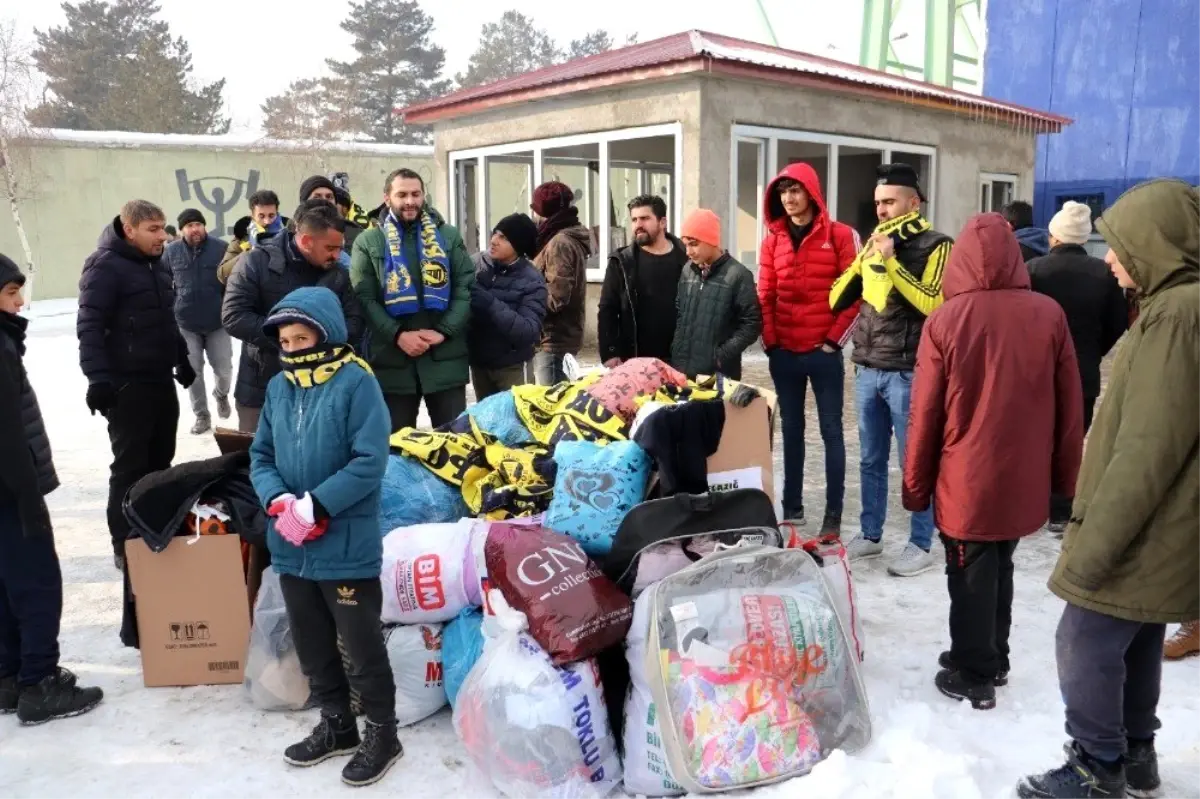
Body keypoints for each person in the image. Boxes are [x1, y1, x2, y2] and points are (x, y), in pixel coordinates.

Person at [1017, 179, 1200, 799]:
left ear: (1158, 243)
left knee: (1085, 633)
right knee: (1140, 629)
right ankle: (1137, 753)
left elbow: (1149, 445)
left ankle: (1097, 765)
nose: (1110, 258)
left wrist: (1097, 542)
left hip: (1147, 519)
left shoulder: (1177, 315)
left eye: (1120, 245)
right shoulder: (1177, 305)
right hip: (1170, 519)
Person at [902, 213, 1084, 712]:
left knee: (969, 571)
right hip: (1022, 474)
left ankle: (974, 672)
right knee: (999, 562)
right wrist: (1064, 480)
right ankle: (992, 655)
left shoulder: (945, 320)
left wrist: (916, 486)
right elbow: (1072, 406)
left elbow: (926, 413)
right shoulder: (1048, 315)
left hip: (967, 477)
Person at [248, 286, 399, 787]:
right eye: (285, 341)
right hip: (292, 544)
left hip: (345, 544)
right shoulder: (278, 388)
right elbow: (261, 455)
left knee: (360, 645)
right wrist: (281, 502)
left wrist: (318, 503)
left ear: (326, 334)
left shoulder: (357, 383)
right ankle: (336, 725)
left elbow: (370, 460)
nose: (292, 348)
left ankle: (382, 731)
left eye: (301, 337)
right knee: (313, 645)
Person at [829, 163, 951, 577]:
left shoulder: (938, 244)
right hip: (866, 365)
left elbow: (933, 304)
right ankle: (871, 534)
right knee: (871, 459)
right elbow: (838, 297)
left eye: (890, 201)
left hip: (907, 370)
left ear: (913, 202)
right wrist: (866, 261)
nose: (881, 209)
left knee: (913, 460)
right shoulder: (874, 244)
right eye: (878, 202)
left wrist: (892, 263)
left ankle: (921, 542)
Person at [0, 254, 105, 726]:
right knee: (38, 584)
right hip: (9, 492)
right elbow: (7, 437)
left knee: (4, 587)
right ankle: (39, 683)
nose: (20, 302)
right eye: (9, 292)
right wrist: (29, 503)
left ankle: (10, 676)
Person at [77, 200, 195, 570]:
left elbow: (166, 320)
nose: (163, 236)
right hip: (126, 386)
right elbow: (90, 326)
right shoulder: (104, 266)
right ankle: (123, 542)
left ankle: (155, 528)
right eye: (153, 229)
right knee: (130, 467)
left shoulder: (156, 265)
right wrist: (97, 379)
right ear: (129, 230)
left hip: (160, 379)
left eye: (163, 228)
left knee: (161, 461)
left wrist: (182, 359)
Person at [758, 163, 861, 533]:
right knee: (791, 430)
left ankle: (833, 515)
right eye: (783, 191)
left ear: (813, 193)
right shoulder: (772, 241)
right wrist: (771, 344)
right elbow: (766, 295)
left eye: (796, 189)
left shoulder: (841, 235)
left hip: (823, 353)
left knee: (831, 431)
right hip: (785, 353)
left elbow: (856, 291)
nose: (789, 197)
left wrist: (833, 342)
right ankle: (793, 507)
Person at [1027, 200, 1127, 533]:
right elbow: (1118, 322)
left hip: (1039, 371)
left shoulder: (1035, 270)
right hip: (1083, 371)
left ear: (1054, 236)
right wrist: (1093, 352)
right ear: (1084, 239)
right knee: (1072, 439)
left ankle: (1032, 502)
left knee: (1038, 436)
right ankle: (1060, 508)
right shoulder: (1104, 273)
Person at [223, 201, 363, 434]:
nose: (337, 255)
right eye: (330, 248)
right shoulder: (255, 262)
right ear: (306, 241)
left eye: (340, 248)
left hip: (323, 388)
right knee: (256, 462)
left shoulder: (339, 273)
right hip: (261, 385)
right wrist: (291, 340)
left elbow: (355, 321)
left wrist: (318, 342)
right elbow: (233, 316)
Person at [349, 168, 472, 431]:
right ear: (387, 198)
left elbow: (465, 288)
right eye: (402, 194)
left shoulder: (448, 236)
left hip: (444, 360)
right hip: (392, 364)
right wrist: (398, 335)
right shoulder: (368, 241)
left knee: (454, 446)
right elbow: (364, 298)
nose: (410, 201)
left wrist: (444, 331)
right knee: (395, 450)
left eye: (416, 194)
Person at [598, 194, 687, 370]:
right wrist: (610, 352)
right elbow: (608, 309)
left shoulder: (686, 259)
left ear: (662, 222)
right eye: (634, 219)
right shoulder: (622, 262)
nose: (638, 225)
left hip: (679, 360)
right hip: (634, 359)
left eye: (645, 218)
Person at [670, 209, 761, 380]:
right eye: (685, 244)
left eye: (694, 244)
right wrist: (677, 349)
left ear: (711, 241)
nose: (688, 251)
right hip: (683, 371)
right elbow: (680, 311)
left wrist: (720, 356)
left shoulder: (738, 275)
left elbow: (751, 325)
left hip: (719, 374)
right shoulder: (687, 270)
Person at [165, 208, 233, 435]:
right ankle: (202, 415)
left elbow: (232, 282)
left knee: (223, 369)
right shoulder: (171, 252)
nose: (194, 229)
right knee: (192, 372)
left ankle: (221, 394)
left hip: (217, 322)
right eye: (189, 225)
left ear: (204, 226)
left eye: (198, 224)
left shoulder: (221, 248)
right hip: (185, 324)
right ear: (182, 229)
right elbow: (164, 285)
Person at [468, 213, 546, 399]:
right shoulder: (475, 264)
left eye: (503, 237)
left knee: (518, 421)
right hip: (480, 364)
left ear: (518, 246)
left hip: (513, 366)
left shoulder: (531, 280)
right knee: (486, 422)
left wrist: (491, 304)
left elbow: (528, 331)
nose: (494, 240)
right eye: (495, 233)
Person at [530, 181, 591, 385]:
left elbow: (557, 297)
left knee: (551, 405)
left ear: (544, 212)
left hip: (553, 340)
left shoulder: (560, 242)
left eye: (535, 209)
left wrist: (525, 304)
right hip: (554, 338)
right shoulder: (559, 237)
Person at [217, 190, 289, 284]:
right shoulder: (243, 237)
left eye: (271, 216)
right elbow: (222, 275)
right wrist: (248, 252)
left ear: (277, 212)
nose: (267, 221)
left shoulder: (289, 233)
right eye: (261, 216)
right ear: (253, 216)